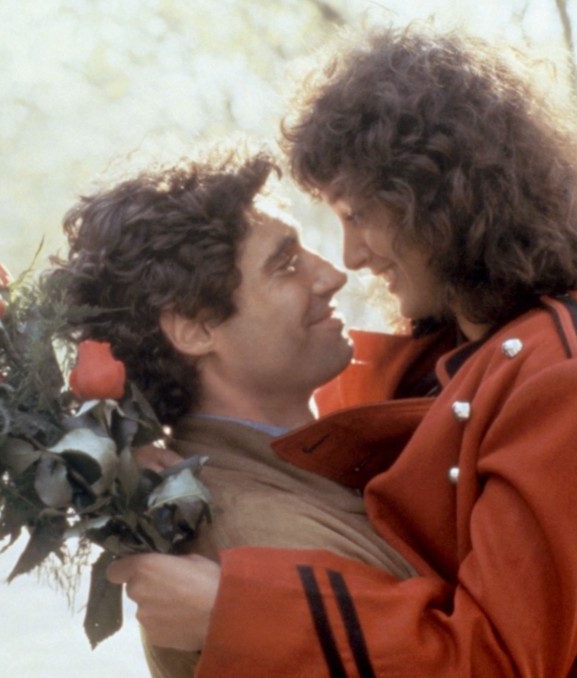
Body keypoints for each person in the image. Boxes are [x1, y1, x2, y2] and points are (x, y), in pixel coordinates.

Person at [105, 27, 577, 676]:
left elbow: (494, 660)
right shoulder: (453, 348)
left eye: (356, 215)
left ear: (433, 196)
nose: (349, 259)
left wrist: (233, 611)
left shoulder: (563, 369)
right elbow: (292, 439)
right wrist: (152, 461)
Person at [46, 148, 421, 677]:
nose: (332, 274)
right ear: (195, 329)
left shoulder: (269, 480)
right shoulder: (252, 536)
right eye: (286, 264)